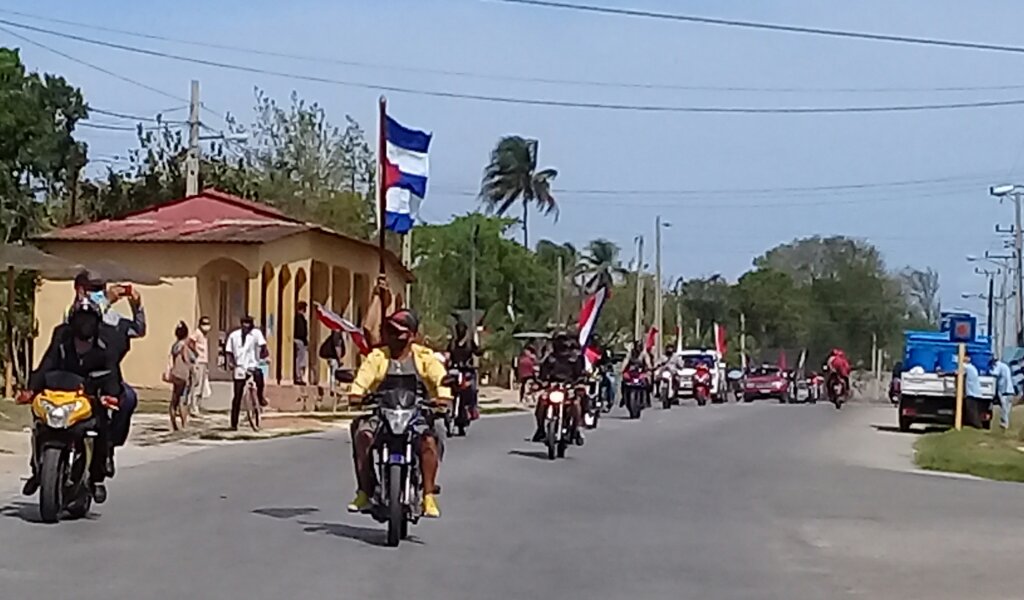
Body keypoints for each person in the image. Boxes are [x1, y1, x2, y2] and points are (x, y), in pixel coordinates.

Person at [346, 309, 450, 518]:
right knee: (362, 434)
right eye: (390, 331)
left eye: (399, 332)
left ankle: (428, 495)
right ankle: (365, 491)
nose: (393, 337)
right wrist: (357, 394)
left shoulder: (425, 357)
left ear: (412, 335)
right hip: (382, 413)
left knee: (430, 438)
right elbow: (363, 378)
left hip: (417, 413)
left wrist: (443, 396)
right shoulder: (377, 357)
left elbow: (440, 378)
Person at [23, 297, 123, 503]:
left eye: (89, 319)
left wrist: (109, 394)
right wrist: (31, 390)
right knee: (39, 422)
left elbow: (112, 373)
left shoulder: (105, 345)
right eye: (80, 319)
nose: (84, 324)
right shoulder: (61, 340)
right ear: (72, 320)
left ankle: (97, 477)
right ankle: (37, 468)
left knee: (101, 427)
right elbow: (46, 364)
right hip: (59, 396)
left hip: (90, 398)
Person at [68, 271, 143, 472]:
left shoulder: (113, 317)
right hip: (72, 376)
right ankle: (39, 463)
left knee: (128, 398)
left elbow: (138, 329)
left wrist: (137, 305)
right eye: (94, 289)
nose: (99, 293)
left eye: (101, 289)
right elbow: (83, 324)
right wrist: (106, 300)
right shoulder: (76, 312)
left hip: (104, 375)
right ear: (80, 290)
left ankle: (109, 444)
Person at [533, 330, 585, 443]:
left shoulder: (575, 359)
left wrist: (579, 383)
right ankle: (541, 428)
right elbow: (543, 374)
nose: (561, 343)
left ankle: (576, 429)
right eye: (559, 341)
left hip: (569, 388)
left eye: (563, 340)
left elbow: (580, 374)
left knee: (576, 404)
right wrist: (540, 382)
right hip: (553, 387)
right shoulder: (550, 359)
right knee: (541, 401)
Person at [225, 316, 269, 430]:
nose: (246, 326)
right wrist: (230, 363)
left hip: (252, 365)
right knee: (237, 395)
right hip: (239, 367)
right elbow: (228, 352)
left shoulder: (256, 334)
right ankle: (234, 423)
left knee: (259, 376)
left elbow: (263, 346)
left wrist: (264, 354)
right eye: (244, 323)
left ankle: (260, 396)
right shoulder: (234, 336)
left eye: (248, 324)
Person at [447, 320, 482, 420]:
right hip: (454, 370)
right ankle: (447, 409)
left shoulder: (469, 343)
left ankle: (472, 408)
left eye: (461, 329)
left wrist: (480, 351)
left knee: (472, 389)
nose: (460, 331)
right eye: (458, 329)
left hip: (467, 370)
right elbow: (448, 354)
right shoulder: (453, 343)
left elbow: (477, 351)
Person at [167, 321, 195, 431]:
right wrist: (192, 371)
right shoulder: (184, 346)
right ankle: (184, 425)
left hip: (175, 374)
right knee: (183, 399)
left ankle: (174, 424)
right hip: (183, 375)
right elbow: (187, 360)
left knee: (174, 399)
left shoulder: (175, 346)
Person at [187, 316, 212, 417]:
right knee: (196, 385)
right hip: (198, 361)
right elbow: (190, 342)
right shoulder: (197, 333)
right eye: (204, 324)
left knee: (201, 386)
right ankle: (193, 408)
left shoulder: (204, 335)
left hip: (203, 362)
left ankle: (197, 406)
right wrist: (195, 353)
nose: (206, 326)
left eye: (208, 324)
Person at [318, 329, 347, 395]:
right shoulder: (337, 336)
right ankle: (333, 389)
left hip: (330, 358)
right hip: (334, 358)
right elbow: (337, 348)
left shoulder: (331, 336)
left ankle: (332, 388)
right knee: (334, 374)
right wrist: (339, 359)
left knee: (332, 373)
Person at [990, 357, 1015, 429]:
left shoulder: (998, 366)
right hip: (1010, 390)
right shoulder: (1005, 366)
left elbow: (995, 373)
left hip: (1004, 391)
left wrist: (989, 371)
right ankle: (1005, 423)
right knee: (1007, 409)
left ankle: (1004, 424)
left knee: (1004, 408)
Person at [962, 354, 985, 428]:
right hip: (975, 392)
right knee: (974, 410)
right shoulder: (972, 367)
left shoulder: (967, 367)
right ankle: (977, 424)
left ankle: (977, 425)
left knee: (971, 410)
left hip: (971, 393)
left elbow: (958, 371)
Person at [294, 301, 309, 385]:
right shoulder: (299, 318)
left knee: (301, 359)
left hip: (301, 340)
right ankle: (298, 377)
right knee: (299, 360)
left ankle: (299, 376)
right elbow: (301, 331)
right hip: (300, 340)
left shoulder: (299, 317)